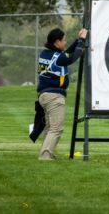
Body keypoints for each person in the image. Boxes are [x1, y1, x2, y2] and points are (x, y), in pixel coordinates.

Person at [37, 27, 87, 160]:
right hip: (54, 97)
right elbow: (74, 56)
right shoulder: (57, 58)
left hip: (44, 95)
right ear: (57, 42)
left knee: (50, 128)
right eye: (64, 40)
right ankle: (45, 156)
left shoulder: (45, 54)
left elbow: (66, 54)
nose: (65, 43)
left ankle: (47, 154)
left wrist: (77, 40)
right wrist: (82, 40)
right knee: (56, 129)